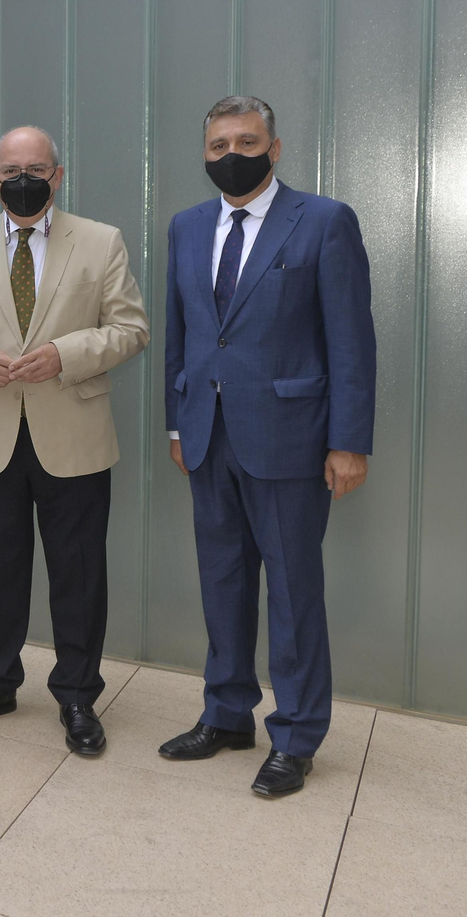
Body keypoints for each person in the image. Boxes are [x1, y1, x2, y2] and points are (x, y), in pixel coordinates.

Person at [160, 96, 375, 798]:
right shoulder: (187, 227)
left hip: (290, 439)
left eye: (246, 141)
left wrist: (348, 441)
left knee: (291, 592)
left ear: (275, 148)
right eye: (218, 144)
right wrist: (175, 422)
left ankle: (297, 734)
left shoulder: (323, 222)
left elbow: (350, 342)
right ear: (204, 153)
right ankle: (226, 714)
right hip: (207, 436)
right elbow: (182, 334)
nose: (231, 155)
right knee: (222, 584)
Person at [0, 126, 148, 756]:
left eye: (38, 169)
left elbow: (130, 328)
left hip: (73, 436)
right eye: (12, 170)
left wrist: (63, 354)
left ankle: (77, 695)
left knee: (78, 573)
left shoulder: (101, 242)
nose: (26, 179)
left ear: (59, 174)